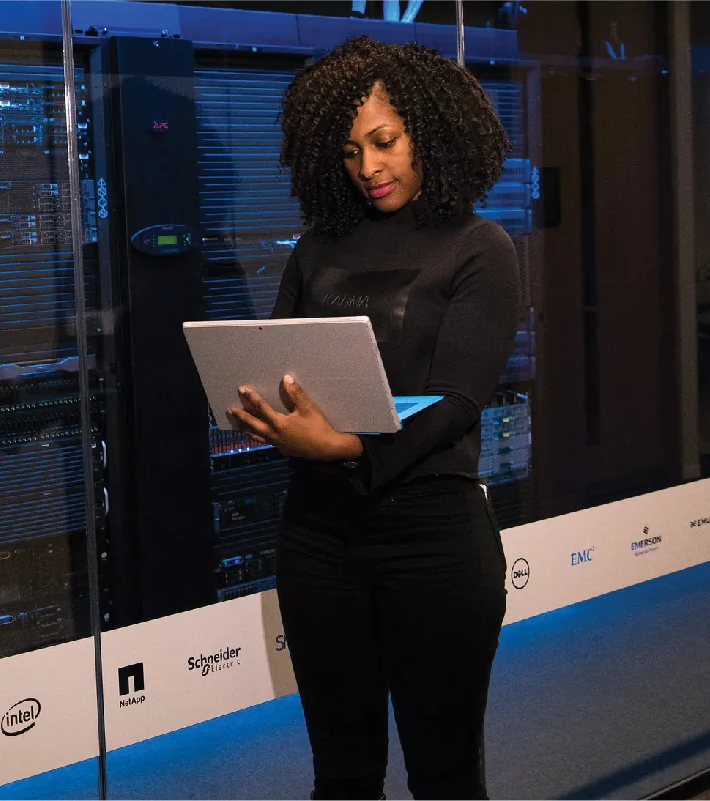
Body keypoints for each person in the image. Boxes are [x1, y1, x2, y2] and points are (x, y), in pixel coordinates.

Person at [225, 36, 520, 800]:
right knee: (342, 776)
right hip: (317, 540)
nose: (368, 167)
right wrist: (262, 410)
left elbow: (457, 400)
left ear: (429, 129)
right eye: (351, 150)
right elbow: (276, 361)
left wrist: (346, 445)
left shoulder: (478, 246)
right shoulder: (315, 248)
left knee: (445, 775)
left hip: (433, 541)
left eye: (384, 143)